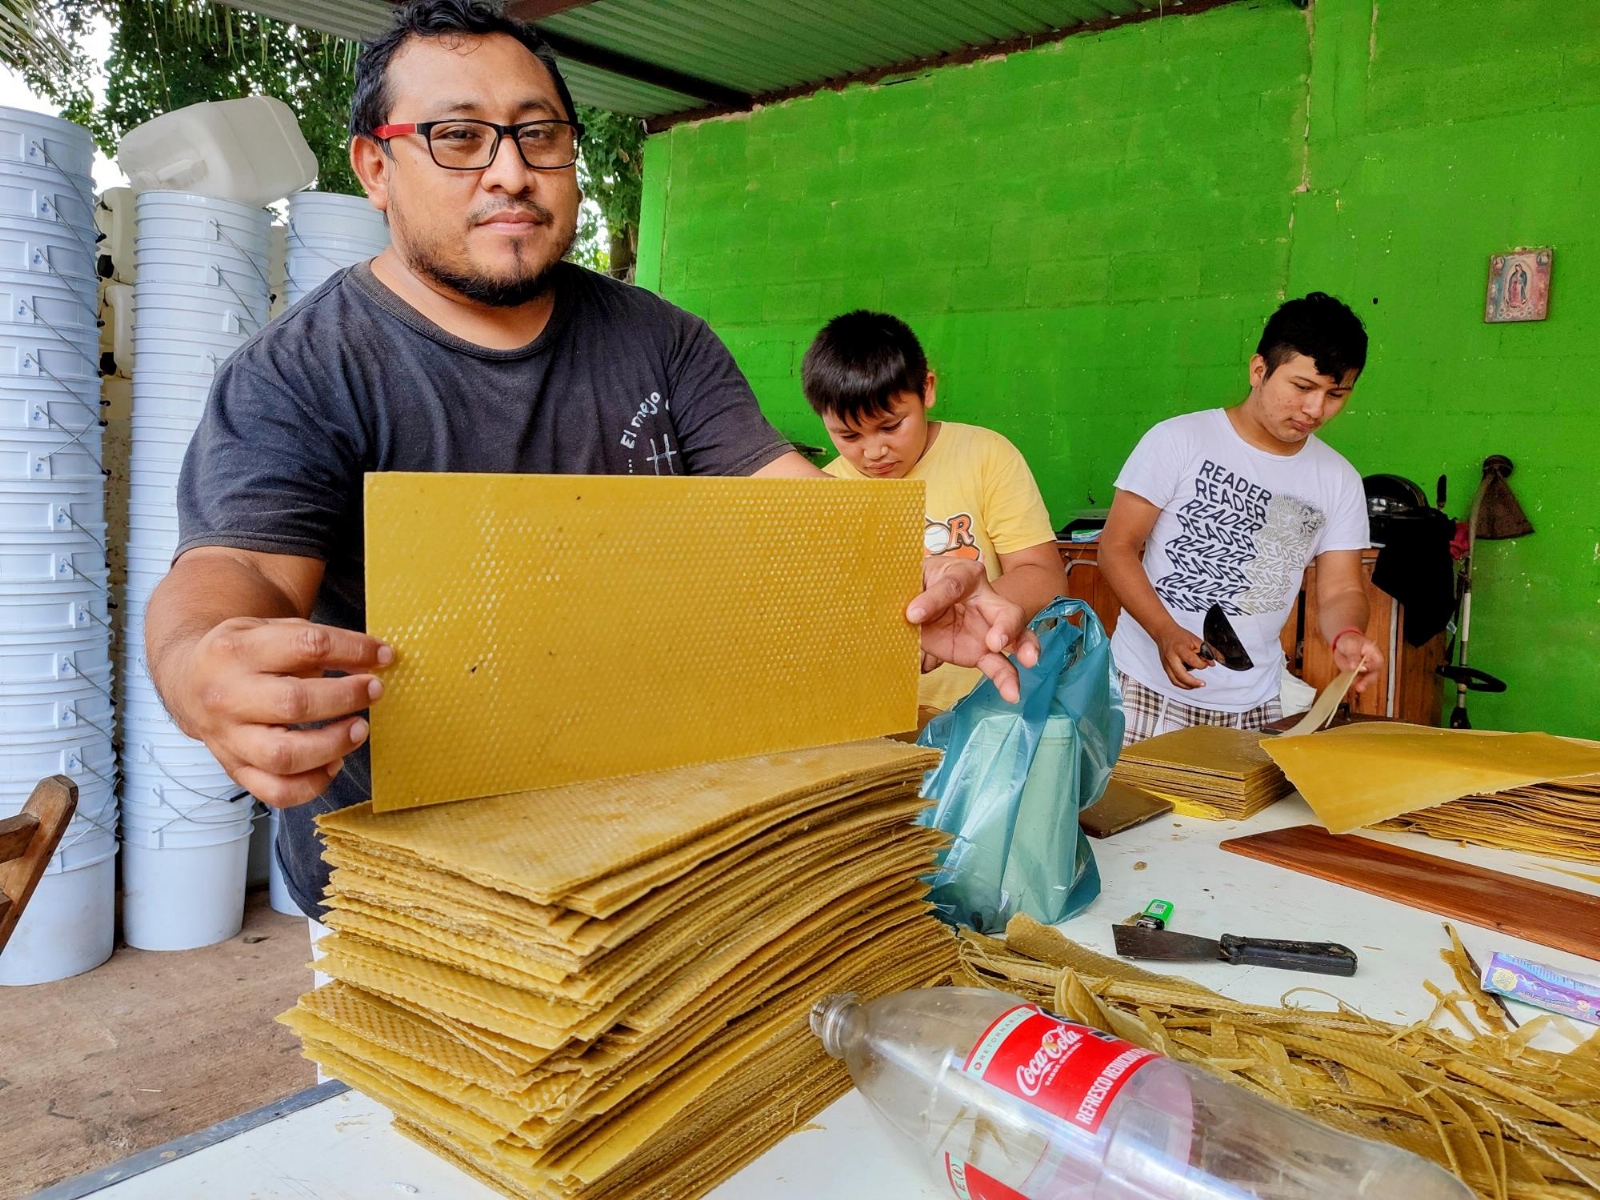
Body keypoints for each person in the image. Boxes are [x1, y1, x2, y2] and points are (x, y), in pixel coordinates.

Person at [144, 0, 1035, 923]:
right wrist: (195, 665)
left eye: (538, 136)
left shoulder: (660, 340)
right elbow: (239, 569)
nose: (510, 173)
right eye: (458, 138)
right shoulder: (305, 368)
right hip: (411, 872)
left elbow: (796, 517)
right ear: (376, 165)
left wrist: (906, 586)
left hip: (640, 833)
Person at [1098, 292, 1385, 745]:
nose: (1315, 410)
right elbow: (1115, 548)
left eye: (1336, 394)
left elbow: (1342, 589)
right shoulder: (1179, 440)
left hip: (1254, 703)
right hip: (1142, 688)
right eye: (1302, 387)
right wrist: (1165, 632)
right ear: (1259, 371)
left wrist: (1347, 635)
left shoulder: (1339, 480)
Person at [803, 311, 1067, 712]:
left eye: (891, 426)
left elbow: (1045, 575)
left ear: (926, 388)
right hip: (870, 713)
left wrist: (962, 608)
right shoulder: (820, 490)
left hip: (987, 705)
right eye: (849, 435)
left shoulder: (985, 455)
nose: (873, 452)